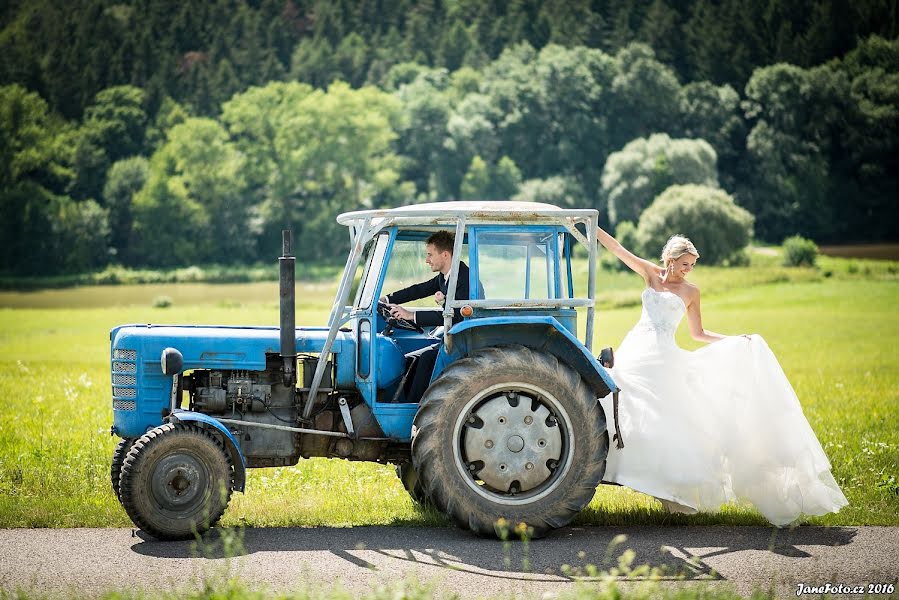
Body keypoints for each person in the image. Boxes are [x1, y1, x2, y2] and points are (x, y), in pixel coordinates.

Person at [595, 227, 847, 526]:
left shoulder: (691, 292)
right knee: (624, 407)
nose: (688, 270)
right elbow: (618, 250)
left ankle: (667, 491)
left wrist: (733, 340)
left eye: (692, 265)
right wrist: (591, 225)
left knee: (664, 421)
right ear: (671, 260)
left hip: (663, 357)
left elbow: (697, 333)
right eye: (685, 264)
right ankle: (613, 468)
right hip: (636, 349)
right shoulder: (651, 274)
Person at [382, 230, 470, 403]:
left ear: (445, 254)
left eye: (430, 255)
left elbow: (456, 318)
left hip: (464, 340)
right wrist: (387, 299)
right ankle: (400, 404)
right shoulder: (445, 277)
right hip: (452, 337)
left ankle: (417, 409)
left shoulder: (464, 278)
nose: (426, 260)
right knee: (409, 359)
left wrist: (411, 315)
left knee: (425, 361)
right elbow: (419, 289)